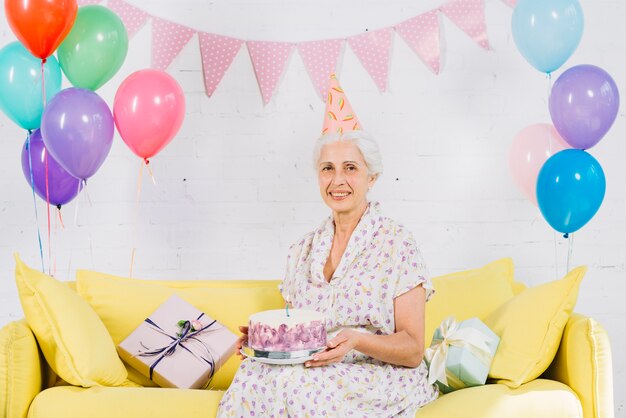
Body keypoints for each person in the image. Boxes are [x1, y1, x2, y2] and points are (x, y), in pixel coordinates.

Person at [217, 74, 438, 417]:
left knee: (301, 387)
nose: (337, 180)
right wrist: (269, 341)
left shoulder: (397, 243)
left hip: (378, 375)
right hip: (314, 369)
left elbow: (411, 349)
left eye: (350, 168)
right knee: (251, 376)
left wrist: (357, 339)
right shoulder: (302, 250)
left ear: (371, 176)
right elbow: (299, 336)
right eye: (327, 169)